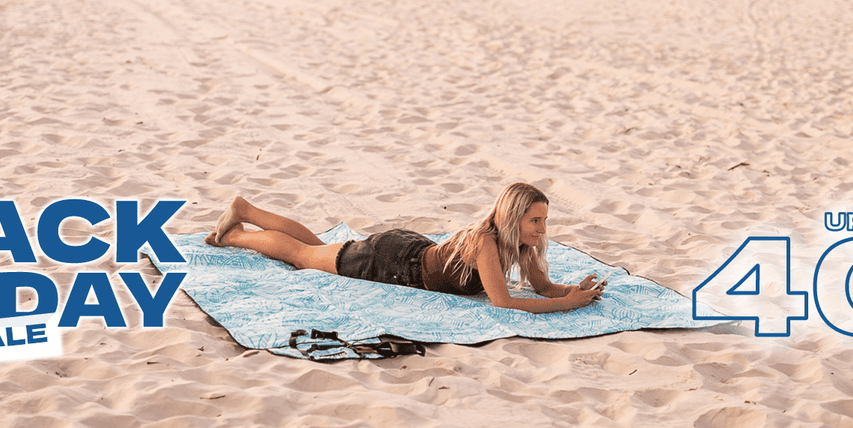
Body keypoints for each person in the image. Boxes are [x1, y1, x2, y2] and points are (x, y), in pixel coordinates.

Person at [206, 182, 606, 313]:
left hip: (413, 251)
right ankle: (235, 234)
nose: (541, 228)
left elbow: (542, 289)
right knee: (303, 257)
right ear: (513, 217)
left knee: (321, 249)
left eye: (544, 220)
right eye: (535, 220)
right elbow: (503, 303)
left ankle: (247, 210)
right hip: (394, 262)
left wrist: (573, 291)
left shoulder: (521, 244)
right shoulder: (486, 241)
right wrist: (565, 305)